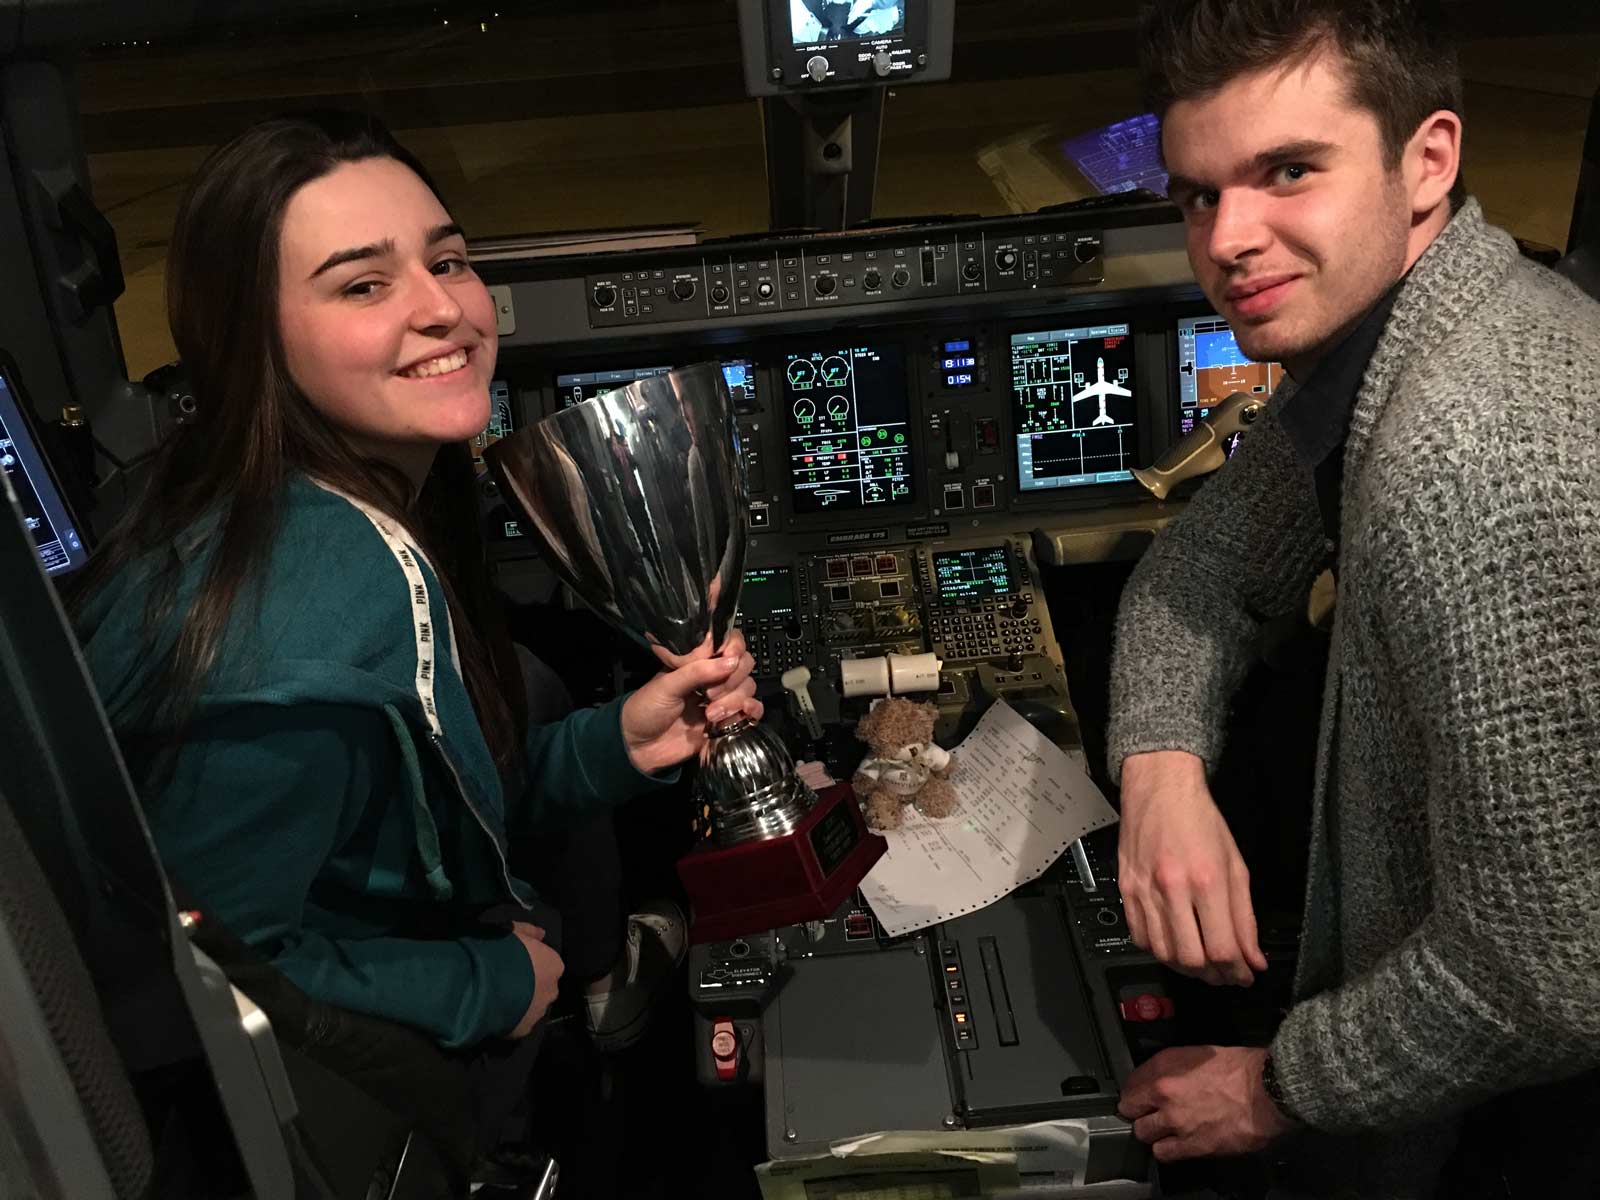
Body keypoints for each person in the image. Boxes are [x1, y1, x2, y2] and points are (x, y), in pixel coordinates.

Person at [71, 110, 761, 1156]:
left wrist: (616, 743)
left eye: (448, 260)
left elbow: (441, 798)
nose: (444, 310)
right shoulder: (293, 640)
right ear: (251, 335)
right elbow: (198, 968)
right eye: (362, 284)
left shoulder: (292, 500)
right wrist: (486, 981)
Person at [1103, 2, 1600, 1195]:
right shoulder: (1401, 336)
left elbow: (1551, 967)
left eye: (1287, 173)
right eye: (1196, 193)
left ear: (1426, 160)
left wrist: (1277, 1089)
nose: (1229, 239)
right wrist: (1159, 769)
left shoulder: (1474, 454)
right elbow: (1202, 566)